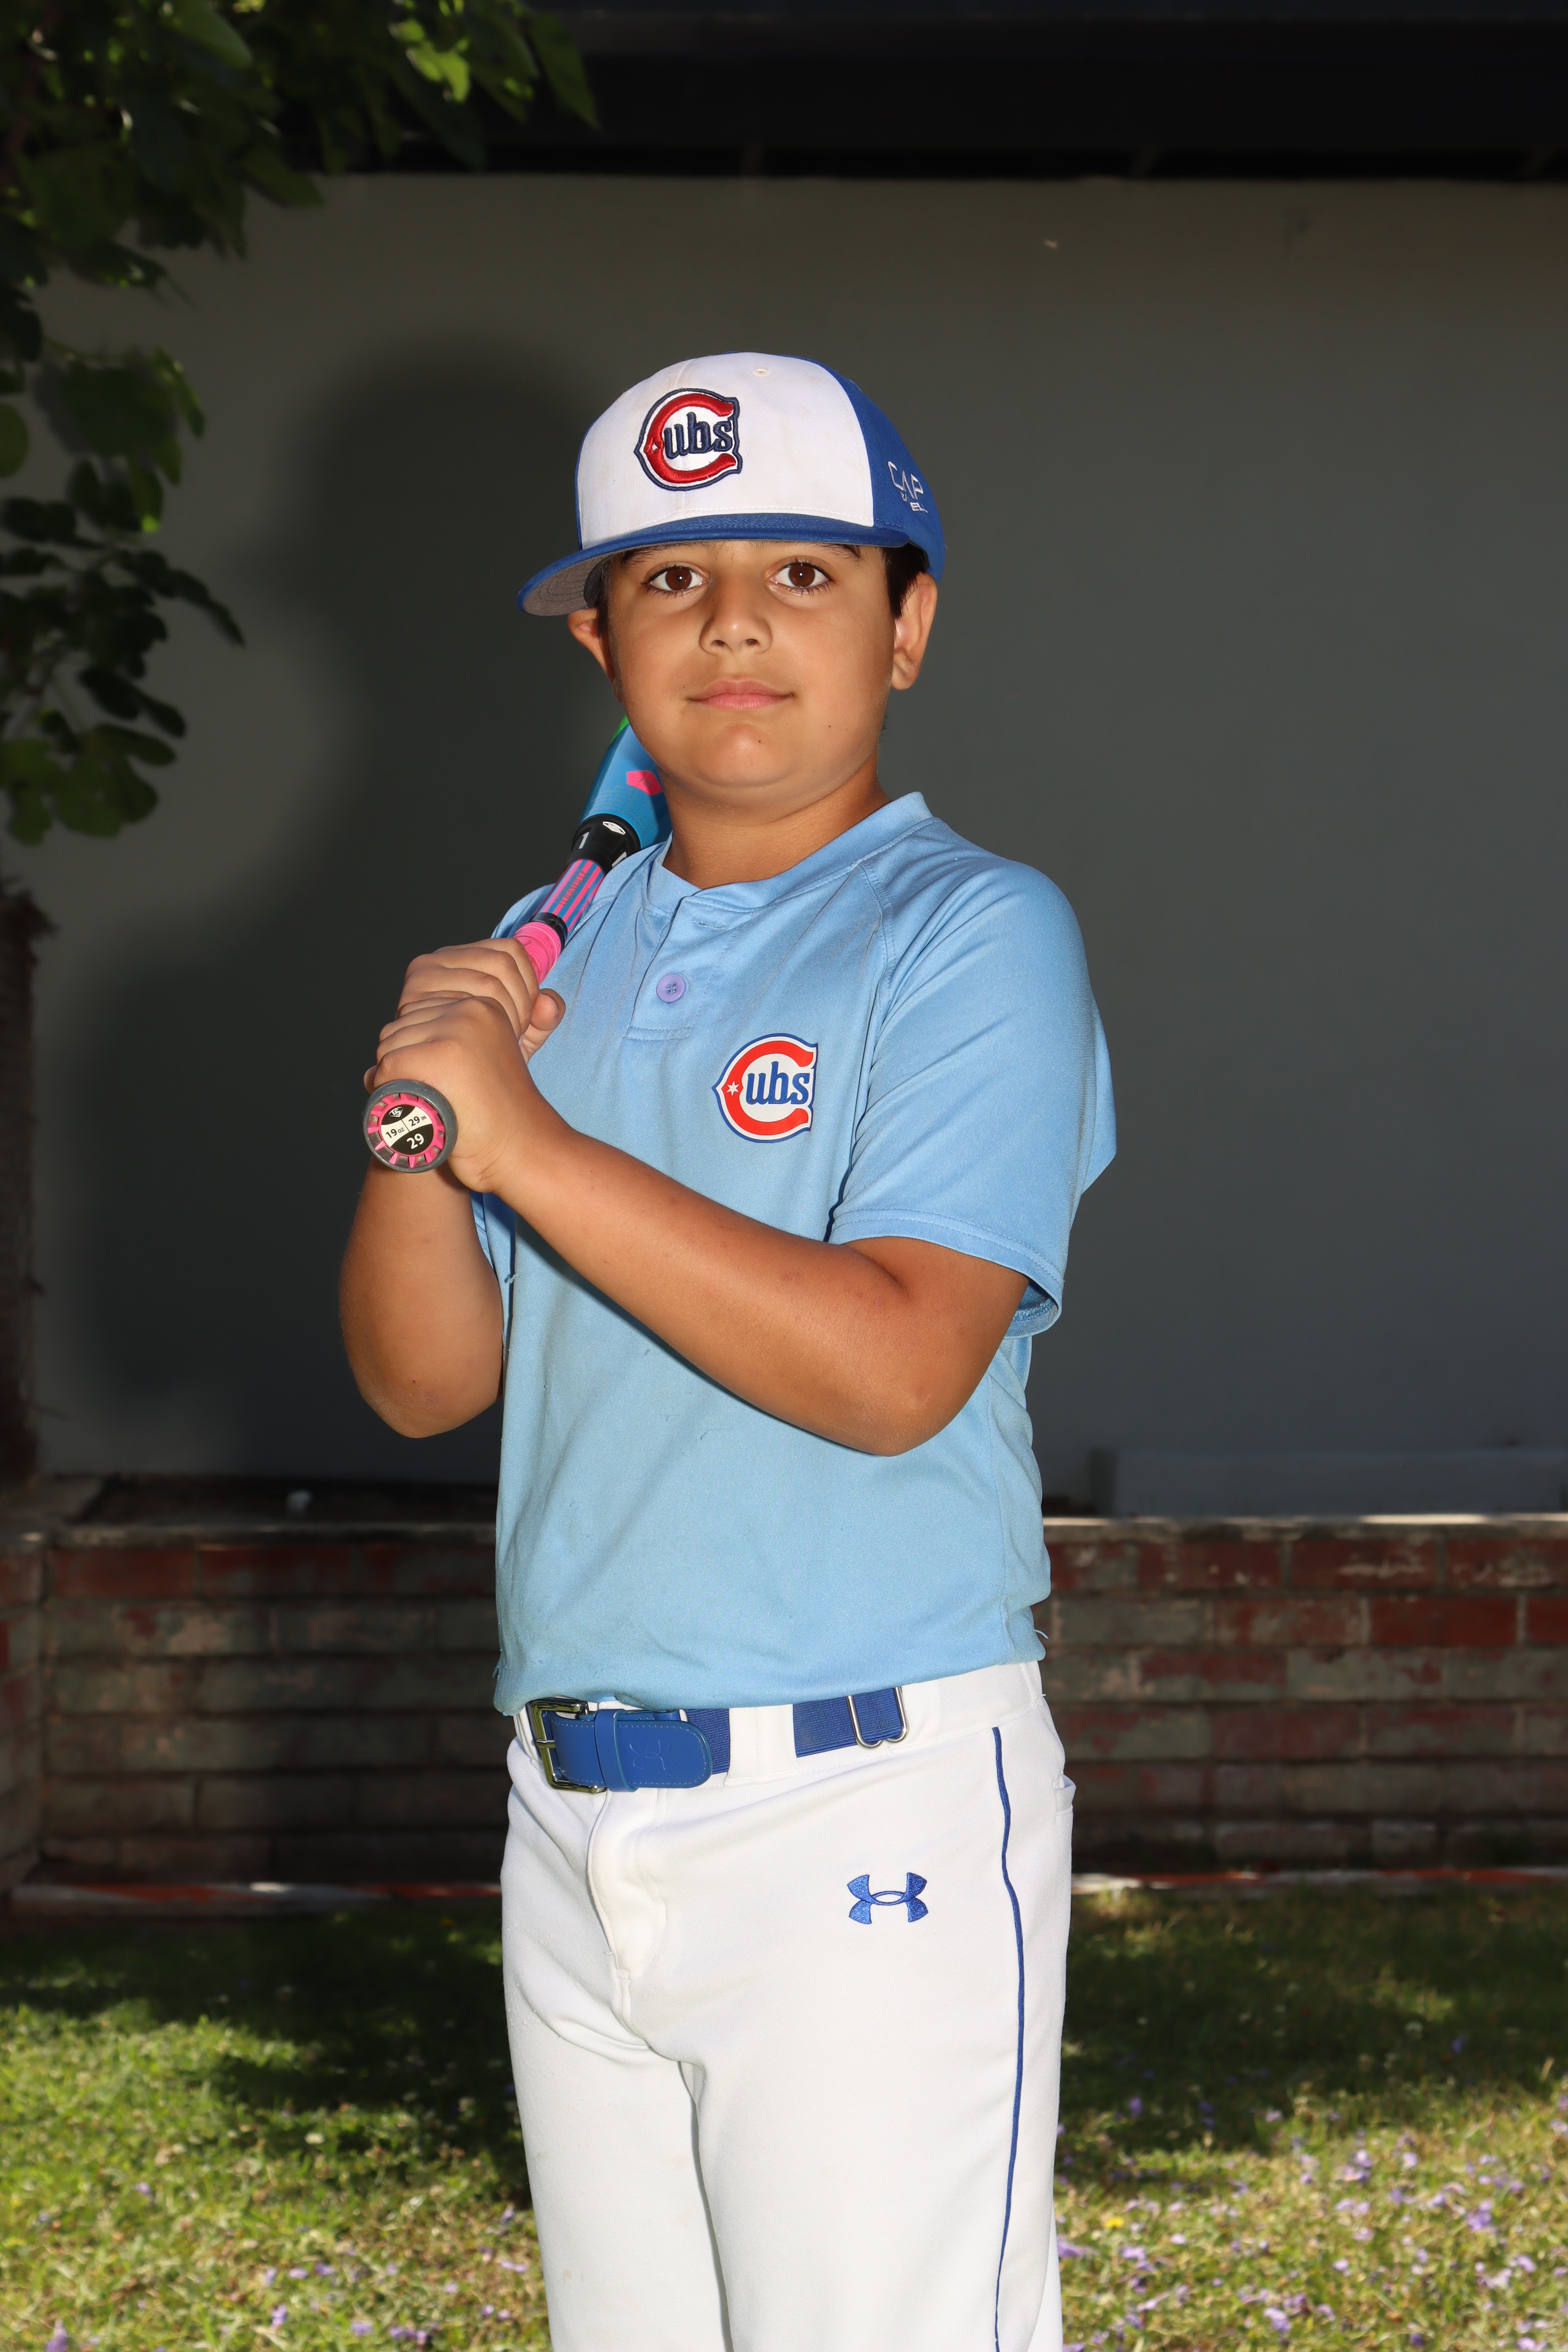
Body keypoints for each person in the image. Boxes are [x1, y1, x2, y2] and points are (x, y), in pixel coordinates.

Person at [340, 351, 1115, 2352]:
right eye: (672, 580)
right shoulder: (559, 947)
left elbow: (894, 1370)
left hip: (859, 1799)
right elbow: (423, 1381)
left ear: (907, 626)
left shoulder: (971, 929)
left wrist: (528, 1141)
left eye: (805, 573)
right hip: (572, 1805)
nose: (738, 624)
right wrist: (431, 1131)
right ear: (601, 643)